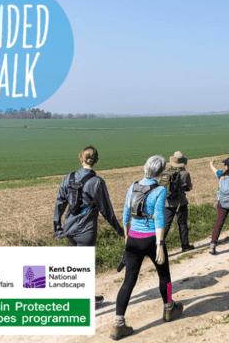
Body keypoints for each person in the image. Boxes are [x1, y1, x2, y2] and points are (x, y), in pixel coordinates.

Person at [111, 155, 183, 340]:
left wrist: (128, 235)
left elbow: (126, 214)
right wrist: (160, 244)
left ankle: (118, 324)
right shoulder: (159, 190)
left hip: (134, 239)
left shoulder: (133, 186)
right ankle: (169, 308)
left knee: (129, 281)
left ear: (145, 168)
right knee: (164, 275)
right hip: (151, 239)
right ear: (160, 172)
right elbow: (159, 218)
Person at [53, 146, 124, 305]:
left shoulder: (68, 178)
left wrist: (58, 229)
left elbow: (59, 204)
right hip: (86, 231)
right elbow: (107, 211)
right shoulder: (97, 182)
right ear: (97, 160)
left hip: (69, 229)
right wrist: (120, 230)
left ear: (81, 158)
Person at [162, 151, 195, 252]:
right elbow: (188, 188)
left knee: (166, 225)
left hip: (167, 203)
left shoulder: (165, 173)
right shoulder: (185, 173)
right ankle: (185, 246)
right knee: (183, 224)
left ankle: (157, 246)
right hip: (181, 203)